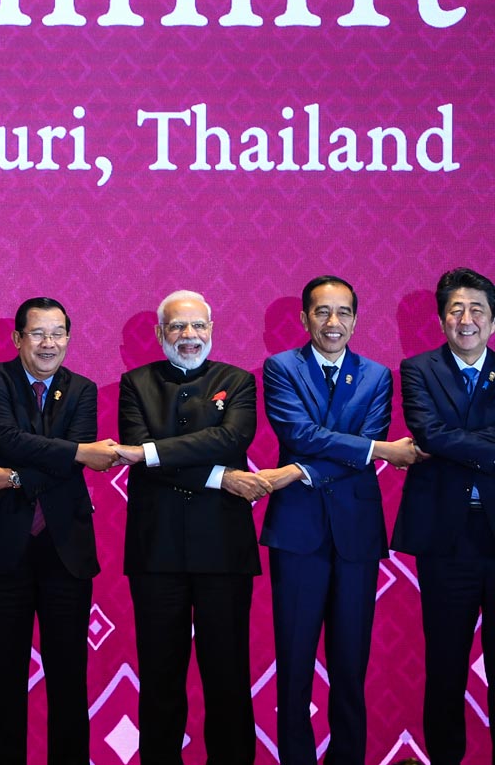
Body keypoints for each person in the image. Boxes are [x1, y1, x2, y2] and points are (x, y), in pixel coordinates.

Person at [256, 276, 419, 765]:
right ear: (305, 318)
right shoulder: (281, 367)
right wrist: (376, 450)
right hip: (299, 533)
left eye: (344, 312)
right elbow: (300, 432)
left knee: (351, 665)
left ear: (355, 319)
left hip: (355, 533)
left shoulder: (375, 375)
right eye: (322, 312)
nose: (333, 323)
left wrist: (298, 472)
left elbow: (346, 448)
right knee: (295, 665)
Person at [0, 297, 118, 765]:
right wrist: (74, 452)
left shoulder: (84, 389)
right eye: (38, 333)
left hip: (64, 549)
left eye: (57, 334)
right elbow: (6, 440)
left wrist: (13, 475)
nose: (48, 343)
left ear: (69, 339)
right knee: (0, 676)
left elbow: (59, 465)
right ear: (18, 339)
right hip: (1, 546)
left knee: (69, 676)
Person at [118, 290, 263, 765]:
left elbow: (232, 436)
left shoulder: (238, 381)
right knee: (160, 677)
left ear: (212, 330)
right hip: (156, 547)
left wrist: (155, 453)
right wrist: (221, 476)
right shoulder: (134, 383)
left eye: (197, 326)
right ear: (160, 334)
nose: (188, 336)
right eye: (177, 327)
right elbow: (138, 452)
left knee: (227, 675)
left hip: (222, 547)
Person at [391, 267, 495, 765]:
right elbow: (428, 433)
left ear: (492, 322)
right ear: (441, 319)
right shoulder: (419, 369)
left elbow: (443, 440)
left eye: (477, 309)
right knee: (446, 665)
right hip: (446, 540)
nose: (466, 318)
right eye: (456, 309)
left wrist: (456, 443)